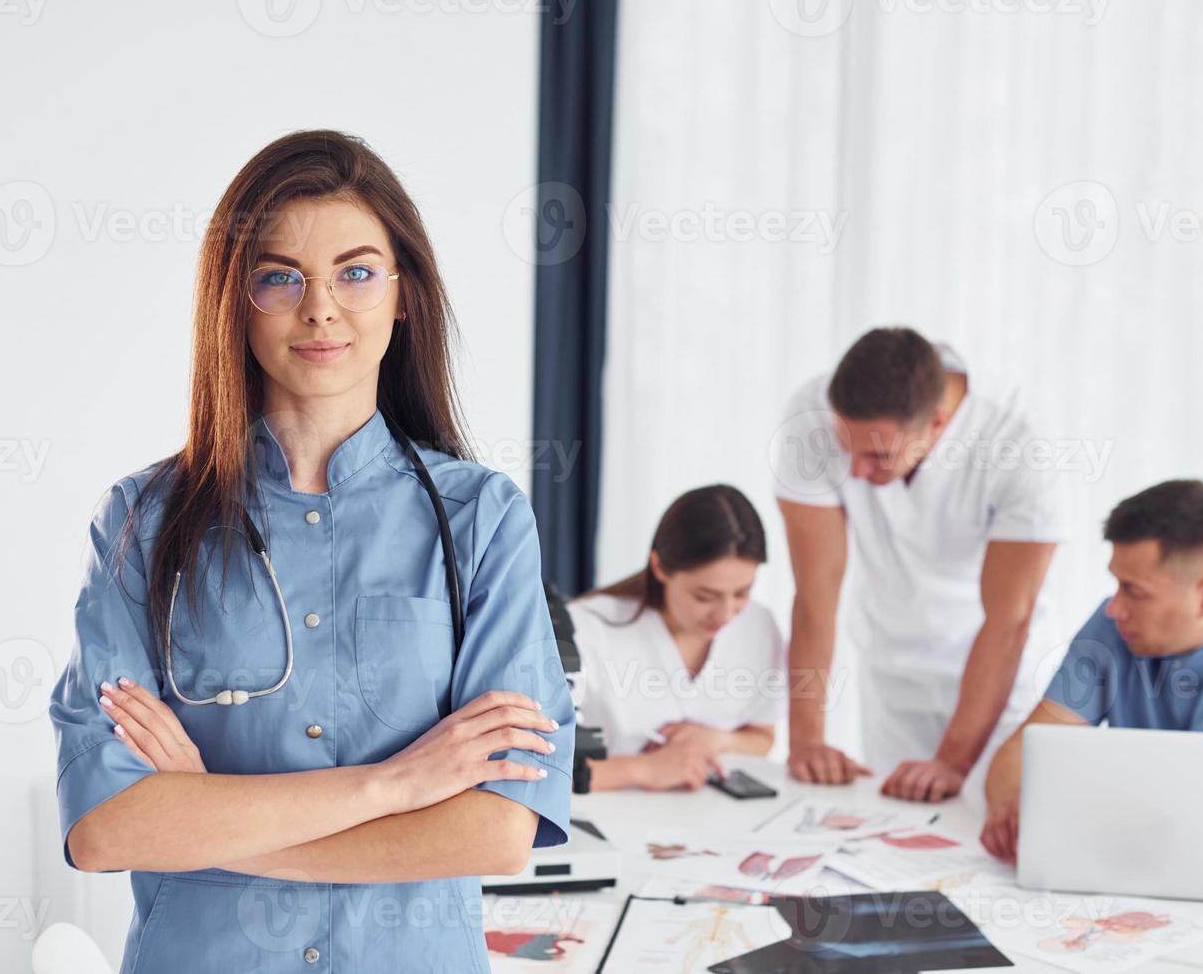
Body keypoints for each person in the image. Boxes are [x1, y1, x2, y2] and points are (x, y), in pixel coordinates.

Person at [48, 130, 575, 972]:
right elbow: (109, 828)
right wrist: (395, 787)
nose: (321, 307)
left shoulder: (483, 521)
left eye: (356, 272)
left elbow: (497, 828)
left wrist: (206, 821)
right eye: (279, 277)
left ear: (403, 297)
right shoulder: (143, 521)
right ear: (237, 300)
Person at [981, 480, 1203, 863]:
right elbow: (1019, 756)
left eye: (1134, 590)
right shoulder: (1111, 632)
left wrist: (1116, 820)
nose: (1114, 608)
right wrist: (1014, 806)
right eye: (1116, 584)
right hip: (1135, 872)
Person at [773, 327, 1067, 803]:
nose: (856, 474)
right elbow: (815, 595)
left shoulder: (1021, 437)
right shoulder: (810, 420)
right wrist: (806, 740)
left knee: (993, 842)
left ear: (938, 424)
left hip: (1001, 682)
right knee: (895, 849)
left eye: (877, 456)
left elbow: (1009, 619)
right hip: (892, 674)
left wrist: (952, 762)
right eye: (847, 449)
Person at [569, 485, 786, 791]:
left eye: (742, 593)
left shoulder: (758, 625)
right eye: (705, 596)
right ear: (659, 567)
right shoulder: (586, 629)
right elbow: (536, 771)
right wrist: (641, 769)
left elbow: (763, 737)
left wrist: (717, 740)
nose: (726, 614)